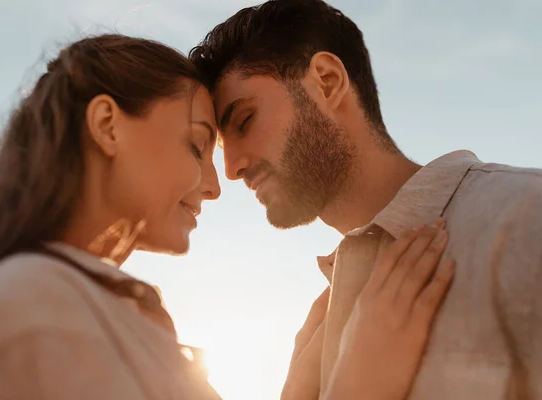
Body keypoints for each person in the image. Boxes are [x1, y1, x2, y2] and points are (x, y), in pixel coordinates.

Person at [0, 33, 453, 400]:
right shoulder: (31, 307)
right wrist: (362, 385)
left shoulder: (95, 309)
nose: (214, 185)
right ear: (107, 126)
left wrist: (299, 392)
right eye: (196, 145)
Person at [189, 0, 542, 399]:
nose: (232, 167)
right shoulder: (318, 332)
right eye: (221, 145)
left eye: (245, 120)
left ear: (326, 81)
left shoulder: (526, 216)